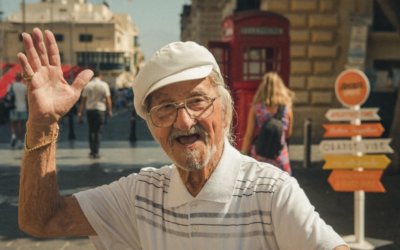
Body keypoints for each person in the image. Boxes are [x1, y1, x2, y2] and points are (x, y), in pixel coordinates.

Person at [17, 28, 348, 250]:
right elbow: (42, 220)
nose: (184, 120)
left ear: (225, 109)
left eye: (197, 101)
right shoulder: (141, 195)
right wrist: (42, 124)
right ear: (151, 125)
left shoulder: (271, 193)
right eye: (165, 108)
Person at [241, 72, 294, 174]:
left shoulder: (257, 108)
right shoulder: (287, 110)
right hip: (279, 156)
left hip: (259, 157)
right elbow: (288, 134)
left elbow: (249, 134)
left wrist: (243, 154)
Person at [77, 69, 112, 158]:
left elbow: (83, 101)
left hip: (90, 110)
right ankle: (96, 151)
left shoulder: (88, 85)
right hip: (100, 110)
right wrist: (109, 111)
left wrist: (80, 113)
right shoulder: (104, 85)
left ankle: (92, 151)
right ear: (100, 76)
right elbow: (108, 100)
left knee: (91, 131)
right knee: (98, 132)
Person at [8, 72, 28, 149]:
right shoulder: (24, 86)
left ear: (15, 78)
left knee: (13, 124)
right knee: (20, 125)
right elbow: (26, 98)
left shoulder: (11, 86)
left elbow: (8, 96)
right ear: (21, 78)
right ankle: (20, 141)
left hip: (13, 108)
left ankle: (13, 136)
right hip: (22, 108)